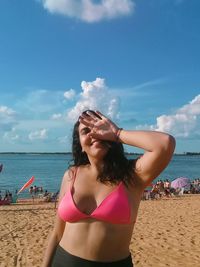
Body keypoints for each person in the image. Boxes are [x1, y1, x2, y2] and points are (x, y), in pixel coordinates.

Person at [42, 110, 175, 267]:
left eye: (99, 129)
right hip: (63, 261)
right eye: (86, 131)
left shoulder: (133, 176)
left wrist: (117, 133)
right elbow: (57, 233)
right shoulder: (71, 175)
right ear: (81, 145)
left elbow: (165, 143)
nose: (95, 134)